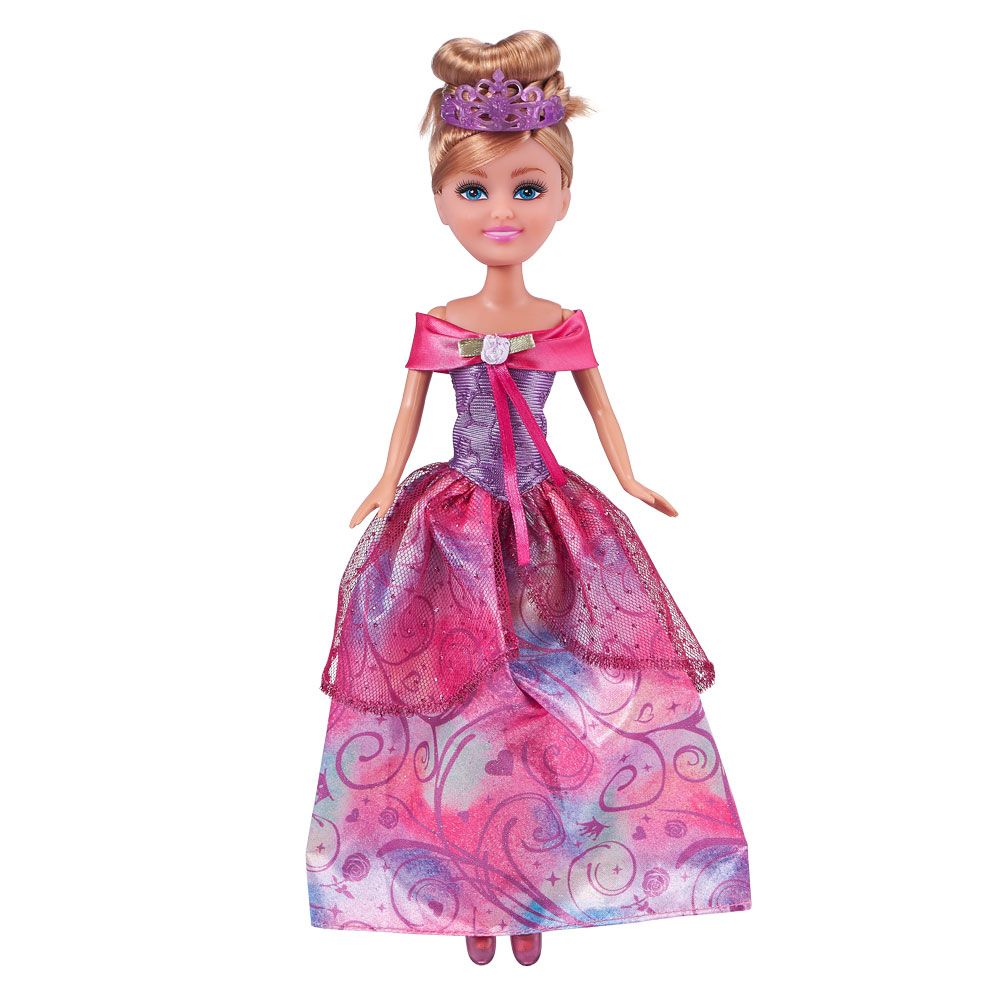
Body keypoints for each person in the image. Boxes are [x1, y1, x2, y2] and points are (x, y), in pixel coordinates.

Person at [306, 30, 751, 967]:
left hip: (552, 526)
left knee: (565, 698)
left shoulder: (562, 322)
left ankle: (545, 885)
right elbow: (409, 413)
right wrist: (384, 485)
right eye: (474, 191)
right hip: (451, 531)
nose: (501, 212)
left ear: (563, 197)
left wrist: (629, 478)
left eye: (527, 189)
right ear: (440, 201)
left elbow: (599, 408)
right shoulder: (441, 323)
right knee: (456, 709)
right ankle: (466, 888)